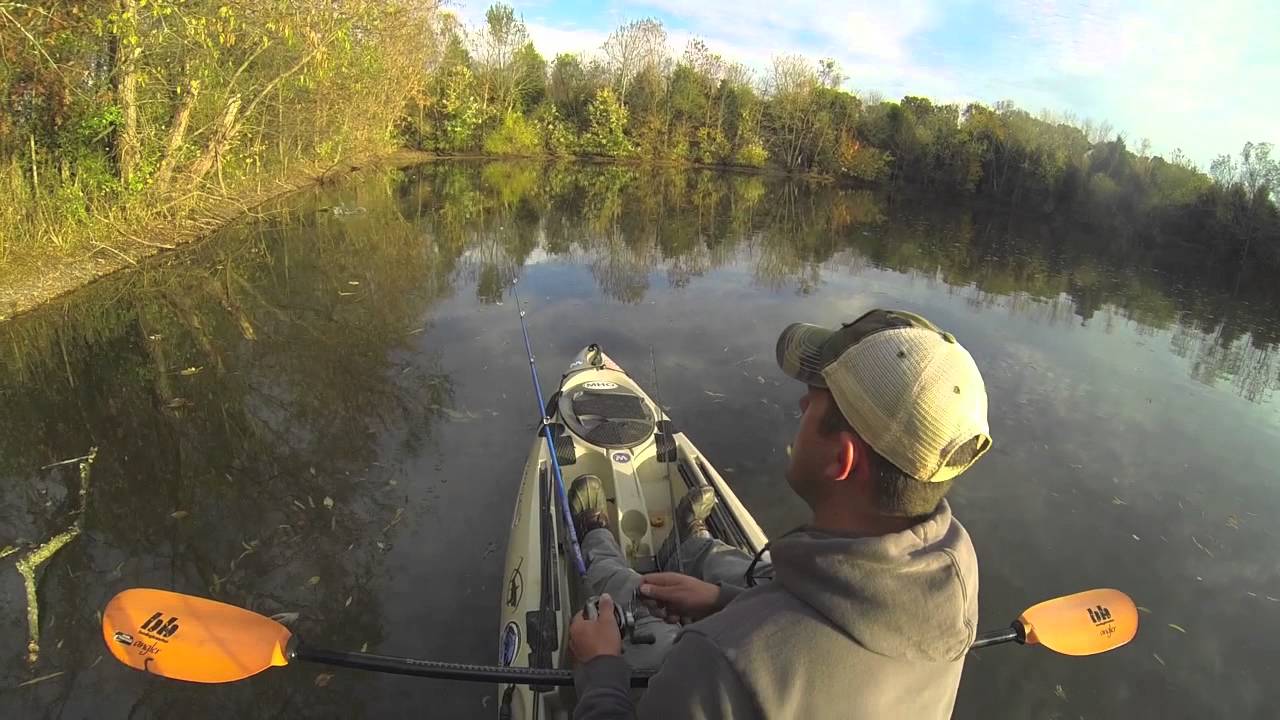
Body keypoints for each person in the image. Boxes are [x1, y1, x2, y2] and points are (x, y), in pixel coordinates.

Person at [567, 308, 993, 720]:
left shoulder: (719, 663)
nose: (804, 404)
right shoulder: (956, 573)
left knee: (629, 601)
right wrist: (725, 601)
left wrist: (600, 668)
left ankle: (597, 540)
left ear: (841, 460)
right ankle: (692, 541)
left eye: (819, 400)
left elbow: (766, 661)